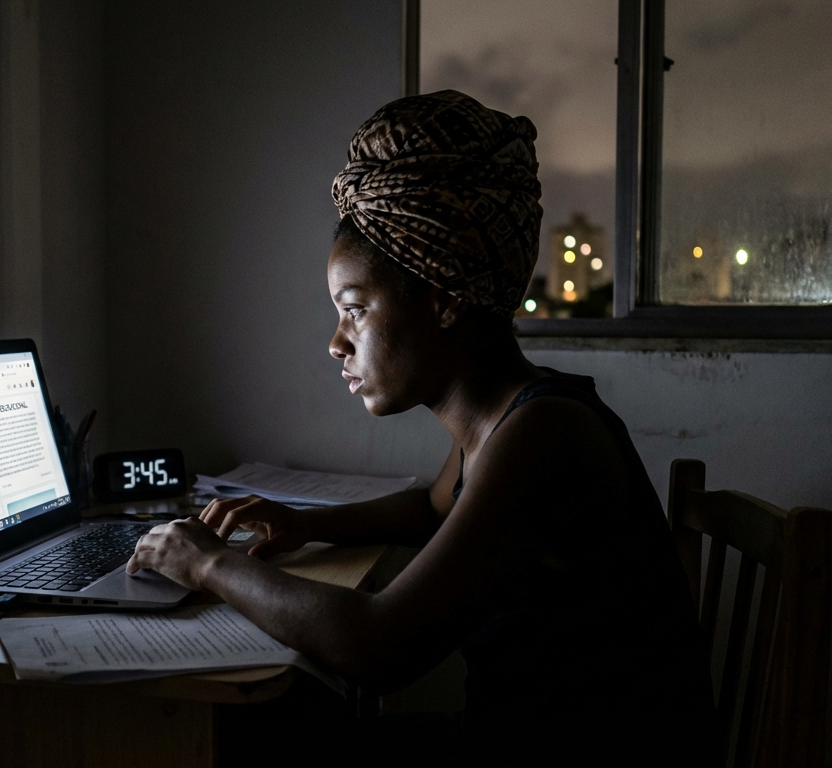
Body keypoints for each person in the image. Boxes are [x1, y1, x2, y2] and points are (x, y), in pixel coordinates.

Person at [126, 90, 712, 767]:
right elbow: (433, 509)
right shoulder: (510, 417)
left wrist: (206, 562)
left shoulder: (544, 435)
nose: (336, 344)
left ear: (444, 300)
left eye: (355, 310)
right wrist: (308, 524)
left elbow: (377, 646)